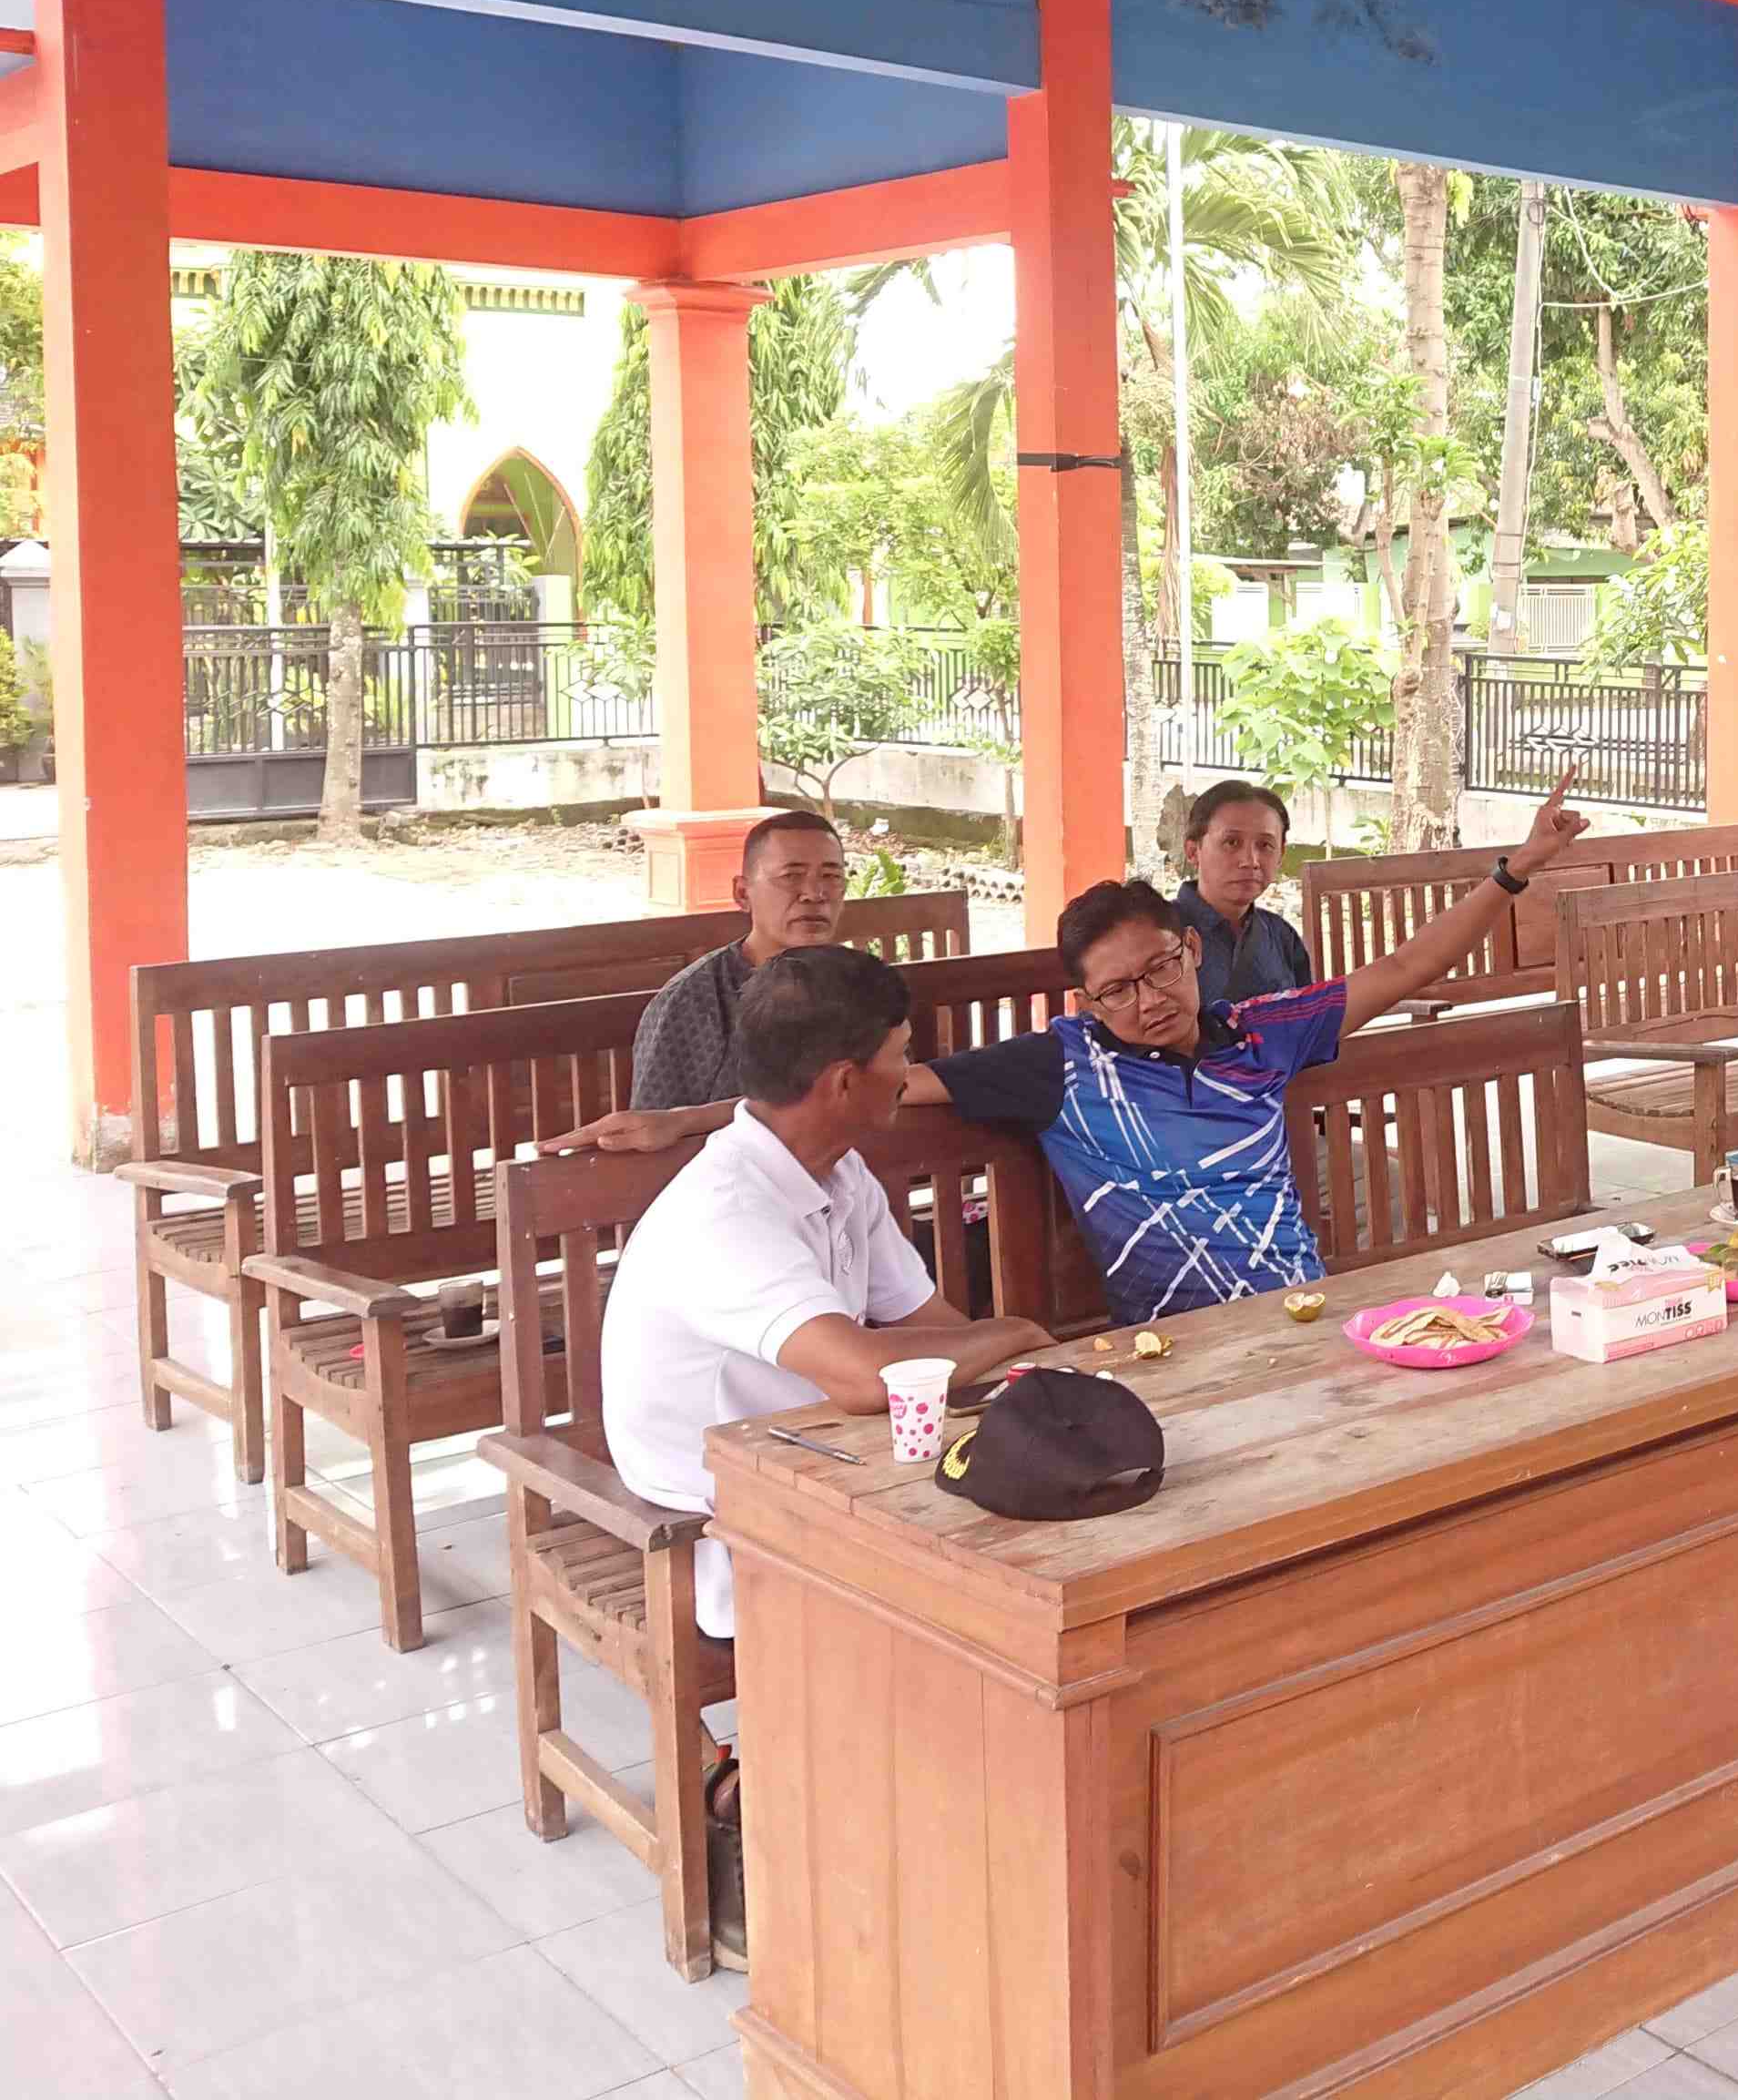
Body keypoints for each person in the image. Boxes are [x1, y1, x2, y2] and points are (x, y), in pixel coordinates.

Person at [597, 943, 1055, 1964]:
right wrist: (1017, 1333)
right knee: (935, 1582)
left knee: (1025, 1533)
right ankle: (744, 1796)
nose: (911, 1072)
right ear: (846, 1081)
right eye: (902, 1054)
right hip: (705, 1509)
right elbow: (861, 1374)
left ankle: (949, 1809)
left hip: (816, 1454)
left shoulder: (835, 1173)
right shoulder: (727, 1210)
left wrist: (1012, 1362)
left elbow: (925, 1326)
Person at [897, 778, 1595, 1324]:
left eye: (1161, 968)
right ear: (1087, 1001)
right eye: (1117, 990)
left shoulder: (1263, 1030)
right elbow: (897, 1084)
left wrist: (1517, 869)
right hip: (1181, 1342)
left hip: (1303, 1310)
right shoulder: (1061, 1063)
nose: (1149, 1000)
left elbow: (1407, 967)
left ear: (1190, 950)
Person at [627, 810, 851, 1114]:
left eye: (831, 877)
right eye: (791, 876)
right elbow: (654, 1127)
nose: (814, 894)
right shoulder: (695, 1000)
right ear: (743, 893)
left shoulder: (861, 985)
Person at [1174, 779, 1316, 1003]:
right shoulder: (1160, 932)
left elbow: (1306, 1015)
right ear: (1193, 851)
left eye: (1265, 845)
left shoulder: (1281, 936)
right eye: (1231, 842)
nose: (1250, 861)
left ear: (1281, 855)